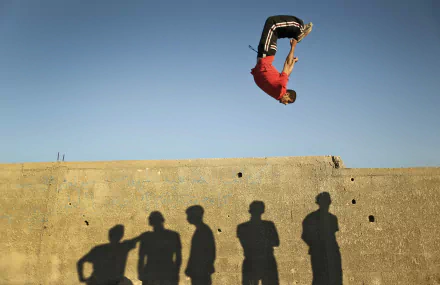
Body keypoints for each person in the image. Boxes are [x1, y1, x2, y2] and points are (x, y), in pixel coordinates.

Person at [251, 15, 313, 105]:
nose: (286, 104)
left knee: (275, 30)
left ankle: (296, 33)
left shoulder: (278, 91)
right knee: (272, 23)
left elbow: (287, 72)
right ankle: (299, 28)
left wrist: (293, 63)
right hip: (266, 53)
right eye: (288, 101)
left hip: (264, 53)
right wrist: (293, 47)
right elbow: (287, 65)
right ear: (286, 94)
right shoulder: (281, 87)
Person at [237, 201, 280, 285]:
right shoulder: (269, 225)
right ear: (263, 211)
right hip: (267, 261)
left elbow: (246, 244)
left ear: (250, 211)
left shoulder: (242, 227)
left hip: (251, 261)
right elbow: (276, 242)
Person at [137, 211, 182, 285]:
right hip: (167, 273)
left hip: (152, 273)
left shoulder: (146, 237)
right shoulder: (173, 235)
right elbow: (178, 257)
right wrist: (176, 272)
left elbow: (141, 258)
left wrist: (141, 274)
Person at [185, 205, 216, 285]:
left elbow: (208, 252)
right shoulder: (203, 230)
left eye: (189, 215)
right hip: (200, 271)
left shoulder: (203, 231)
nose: (187, 218)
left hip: (200, 271)